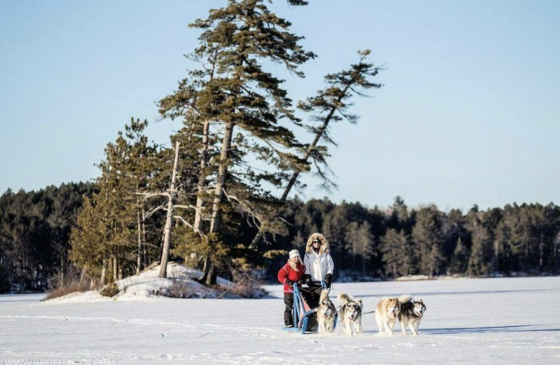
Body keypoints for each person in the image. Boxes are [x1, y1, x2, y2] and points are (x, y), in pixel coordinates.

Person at [302, 233, 334, 307]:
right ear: (312, 243)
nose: (316, 244)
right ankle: (313, 317)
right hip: (313, 282)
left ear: (320, 243)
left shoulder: (325, 253)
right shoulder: (308, 255)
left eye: (318, 242)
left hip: (324, 282)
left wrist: (328, 275)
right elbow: (306, 267)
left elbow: (330, 266)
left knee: (324, 302)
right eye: (314, 242)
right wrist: (307, 276)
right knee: (313, 302)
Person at [277, 249, 306, 328]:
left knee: (297, 306)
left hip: (297, 290)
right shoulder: (287, 266)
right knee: (289, 306)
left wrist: (303, 279)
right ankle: (288, 323)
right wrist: (287, 281)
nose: (296, 259)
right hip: (288, 290)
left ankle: (295, 322)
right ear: (291, 258)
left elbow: (304, 274)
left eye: (297, 257)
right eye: (294, 257)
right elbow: (280, 276)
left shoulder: (301, 266)